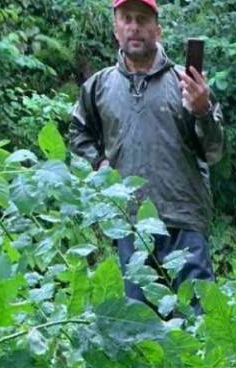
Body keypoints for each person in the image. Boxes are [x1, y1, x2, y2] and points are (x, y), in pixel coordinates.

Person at [69, 0, 224, 301]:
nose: (134, 26)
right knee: (142, 330)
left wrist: (203, 111)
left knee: (198, 324)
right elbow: (78, 133)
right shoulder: (99, 86)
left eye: (142, 19)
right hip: (131, 222)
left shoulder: (186, 84)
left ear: (158, 29)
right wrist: (99, 162)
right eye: (126, 19)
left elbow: (215, 152)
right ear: (116, 30)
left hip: (183, 220)